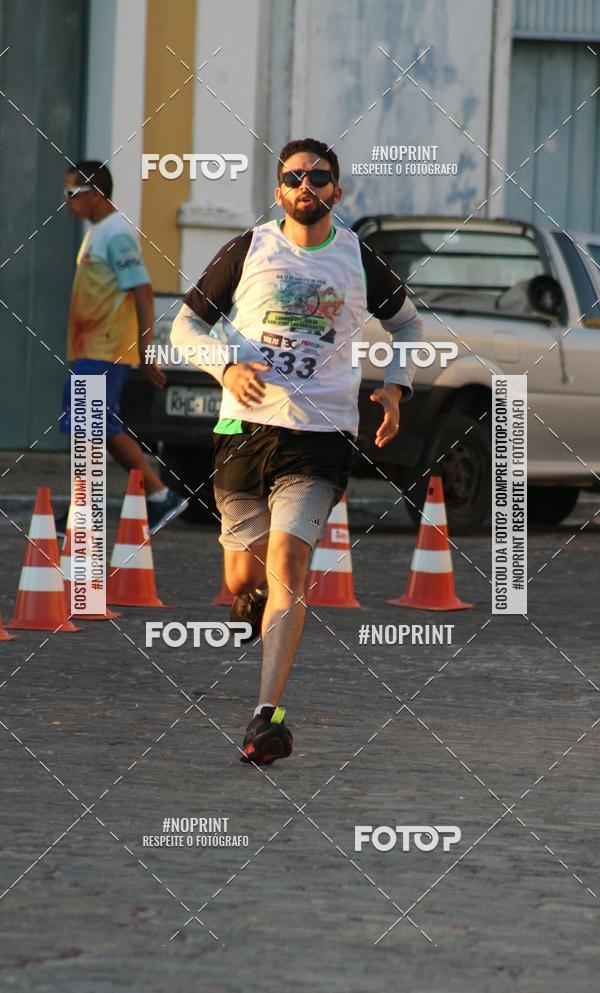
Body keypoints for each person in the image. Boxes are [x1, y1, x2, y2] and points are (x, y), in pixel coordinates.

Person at [171, 138, 423, 765]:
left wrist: (395, 388)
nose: (306, 187)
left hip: (320, 437)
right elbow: (184, 326)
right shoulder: (249, 248)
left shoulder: (359, 259)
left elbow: (410, 325)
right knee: (245, 574)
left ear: (337, 190)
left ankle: (265, 716)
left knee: (289, 562)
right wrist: (225, 369)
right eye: (294, 178)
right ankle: (248, 596)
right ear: (279, 190)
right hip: (243, 431)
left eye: (319, 178)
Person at [58, 160, 188, 537]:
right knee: (100, 426)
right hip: (92, 349)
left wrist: (145, 351)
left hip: (106, 348)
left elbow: (143, 291)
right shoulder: (98, 231)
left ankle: (87, 508)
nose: (66, 202)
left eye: (72, 193)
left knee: (91, 424)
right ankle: (157, 495)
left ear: (95, 194)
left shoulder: (115, 233)